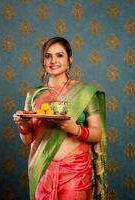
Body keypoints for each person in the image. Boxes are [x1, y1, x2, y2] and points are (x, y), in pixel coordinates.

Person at [13, 37, 107, 200]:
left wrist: (75, 129)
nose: (53, 60)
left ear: (70, 59)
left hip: (75, 171)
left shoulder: (84, 92)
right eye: (48, 56)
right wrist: (23, 126)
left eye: (60, 55)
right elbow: (28, 140)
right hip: (42, 169)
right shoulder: (34, 95)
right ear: (43, 61)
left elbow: (97, 134)